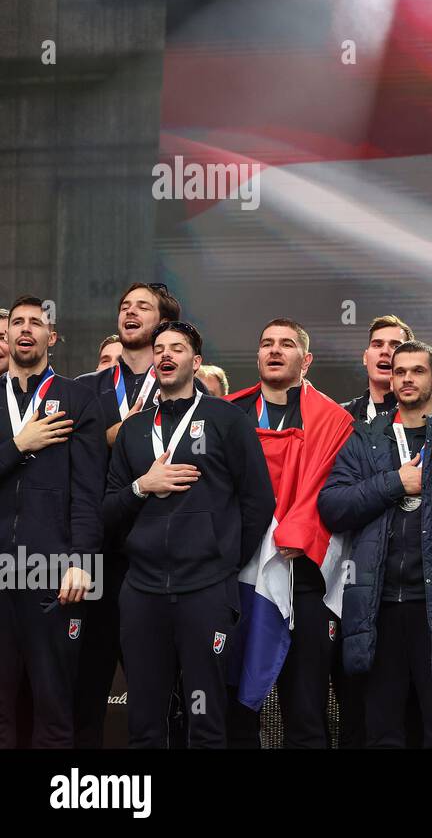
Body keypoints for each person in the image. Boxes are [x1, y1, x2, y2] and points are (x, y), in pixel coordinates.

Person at [319, 340, 432, 746]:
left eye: (416, 371)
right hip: (377, 606)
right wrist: (394, 483)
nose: (405, 378)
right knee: (383, 731)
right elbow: (332, 506)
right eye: (399, 371)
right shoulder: (366, 437)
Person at [102, 320, 274, 747]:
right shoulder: (136, 428)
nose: (165, 355)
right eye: (159, 348)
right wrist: (144, 486)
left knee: (206, 720)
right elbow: (108, 509)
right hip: (142, 592)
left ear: (195, 362)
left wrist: (222, 557)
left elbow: (258, 502)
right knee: (143, 724)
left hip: (205, 591)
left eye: (176, 349)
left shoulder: (227, 420)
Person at [74, 281, 195, 748]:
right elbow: (73, 463)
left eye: (142, 307)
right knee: (87, 685)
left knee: (163, 691)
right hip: (98, 555)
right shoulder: (84, 389)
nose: (130, 312)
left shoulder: (184, 389)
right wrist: (112, 435)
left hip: (161, 556)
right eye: (125, 306)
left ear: (163, 322)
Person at [227, 319, 354, 748]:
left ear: (307, 359)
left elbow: (332, 490)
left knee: (305, 711)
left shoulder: (334, 421)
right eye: (266, 344)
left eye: (286, 344)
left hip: (305, 578)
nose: (274, 351)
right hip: (237, 576)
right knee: (236, 708)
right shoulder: (229, 414)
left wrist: (292, 533)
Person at [0, 296, 105, 747]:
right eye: (17, 322)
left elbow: (89, 492)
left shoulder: (78, 398)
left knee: (55, 707)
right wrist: (18, 444)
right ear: (5, 336)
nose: (26, 329)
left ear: (52, 336)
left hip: (54, 572)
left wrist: (83, 560)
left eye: (36, 323)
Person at [342, 316, 413, 422]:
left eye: (396, 346)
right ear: (365, 357)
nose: (385, 351)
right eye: (377, 345)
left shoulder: (429, 413)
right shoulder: (341, 415)